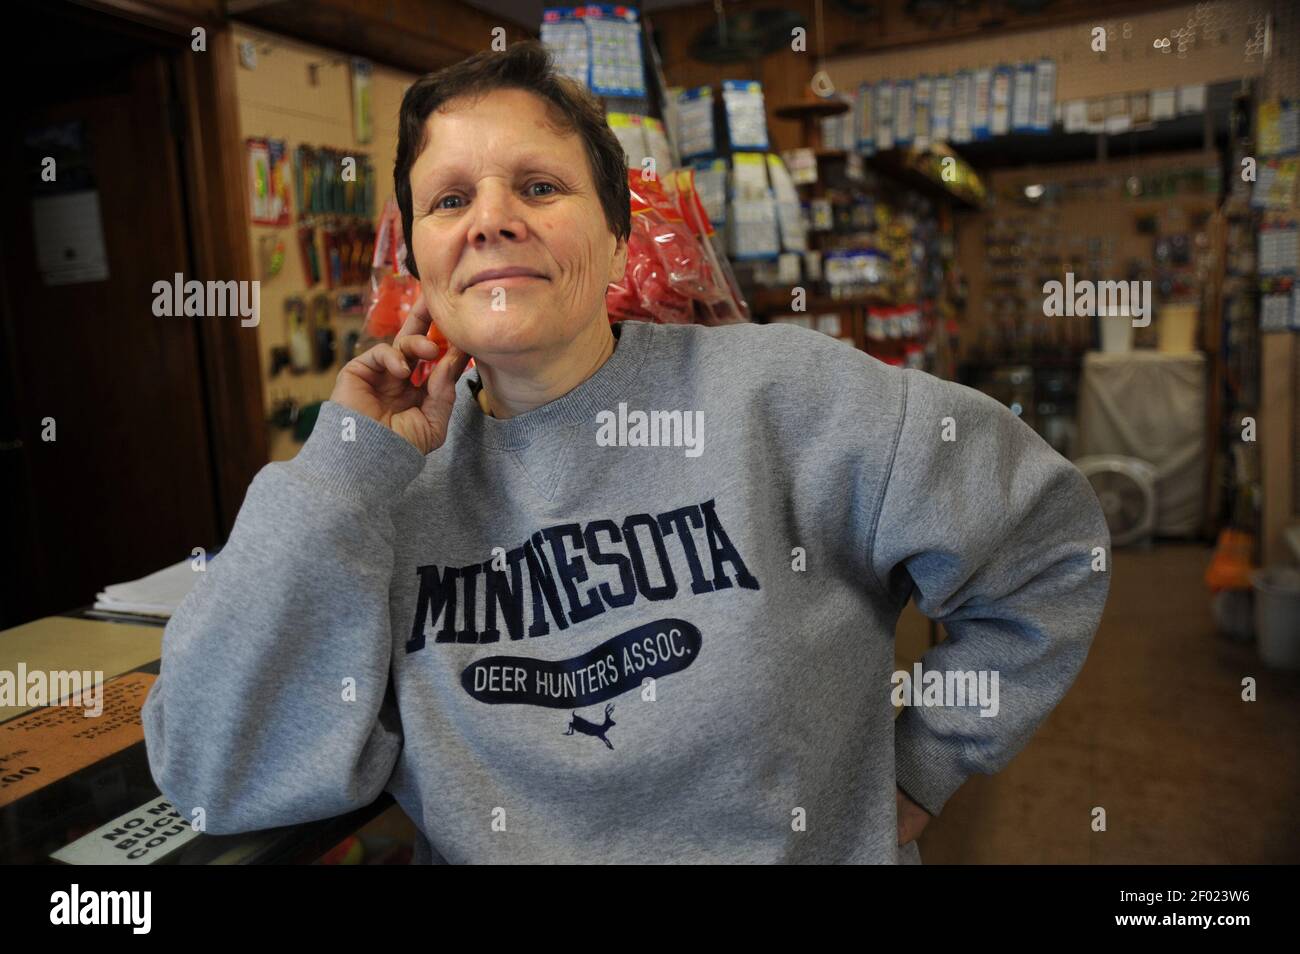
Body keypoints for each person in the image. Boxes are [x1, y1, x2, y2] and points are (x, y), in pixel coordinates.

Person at [142, 41, 1110, 864]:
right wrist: (341, 470)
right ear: (419, 265)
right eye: (446, 201)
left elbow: (1049, 554)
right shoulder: (375, 482)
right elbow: (213, 777)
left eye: (536, 185)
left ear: (614, 240)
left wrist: (921, 770)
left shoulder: (788, 396)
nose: (489, 219)